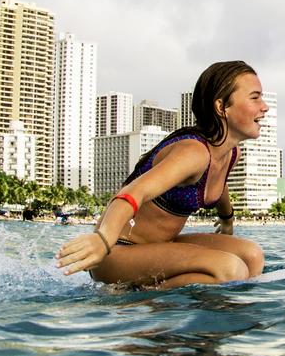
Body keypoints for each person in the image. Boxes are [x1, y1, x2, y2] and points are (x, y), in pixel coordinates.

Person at [56, 60, 267, 287]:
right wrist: (103, 240)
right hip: (116, 252)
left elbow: (218, 186)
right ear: (221, 107)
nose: (264, 106)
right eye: (255, 98)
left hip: (159, 246)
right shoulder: (193, 152)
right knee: (230, 270)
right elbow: (133, 192)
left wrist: (227, 220)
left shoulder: (230, 154)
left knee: (252, 257)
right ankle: (135, 297)